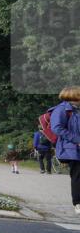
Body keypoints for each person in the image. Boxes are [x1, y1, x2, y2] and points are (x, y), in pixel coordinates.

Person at [49, 86, 80, 214]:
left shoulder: (77, 110)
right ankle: (78, 203)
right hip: (72, 149)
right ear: (74, 96)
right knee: (78, 176)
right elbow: (56, 128)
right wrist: (77, 140)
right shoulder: (62, 109)